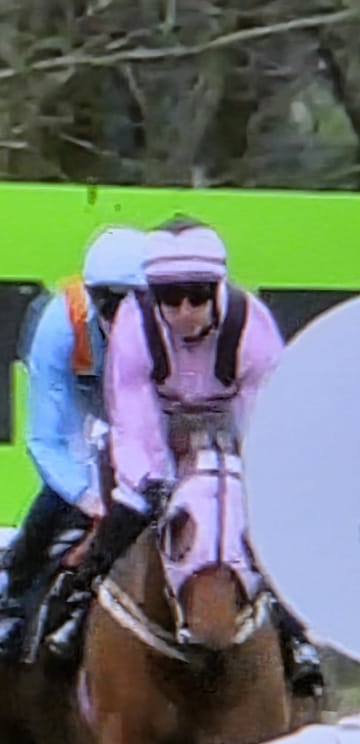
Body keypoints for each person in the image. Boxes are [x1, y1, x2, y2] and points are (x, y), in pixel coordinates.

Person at [39, 217, 324, 696]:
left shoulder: (251, 326)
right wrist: (150, 480)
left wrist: (249, 476)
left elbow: (263, 420)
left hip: (232, 435)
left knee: (262, 518)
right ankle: (75, 608)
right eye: (170, 298)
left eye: (197, 295)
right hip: (159, 437)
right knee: (130, 509)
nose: (184, 310)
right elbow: (132, 416)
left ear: (217, 290)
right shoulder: (134, 325)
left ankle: (297, 638)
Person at [0, 225, 147, 662]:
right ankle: (12, 592)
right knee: (57, 502)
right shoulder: (61, 322)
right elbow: (47, 438)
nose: (122, 318)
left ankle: (287, 627)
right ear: (91, 296)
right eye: (109, 303)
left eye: (136, 303)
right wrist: (92, 499)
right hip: (90, 420)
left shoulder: (178, 319)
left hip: (153, 430)